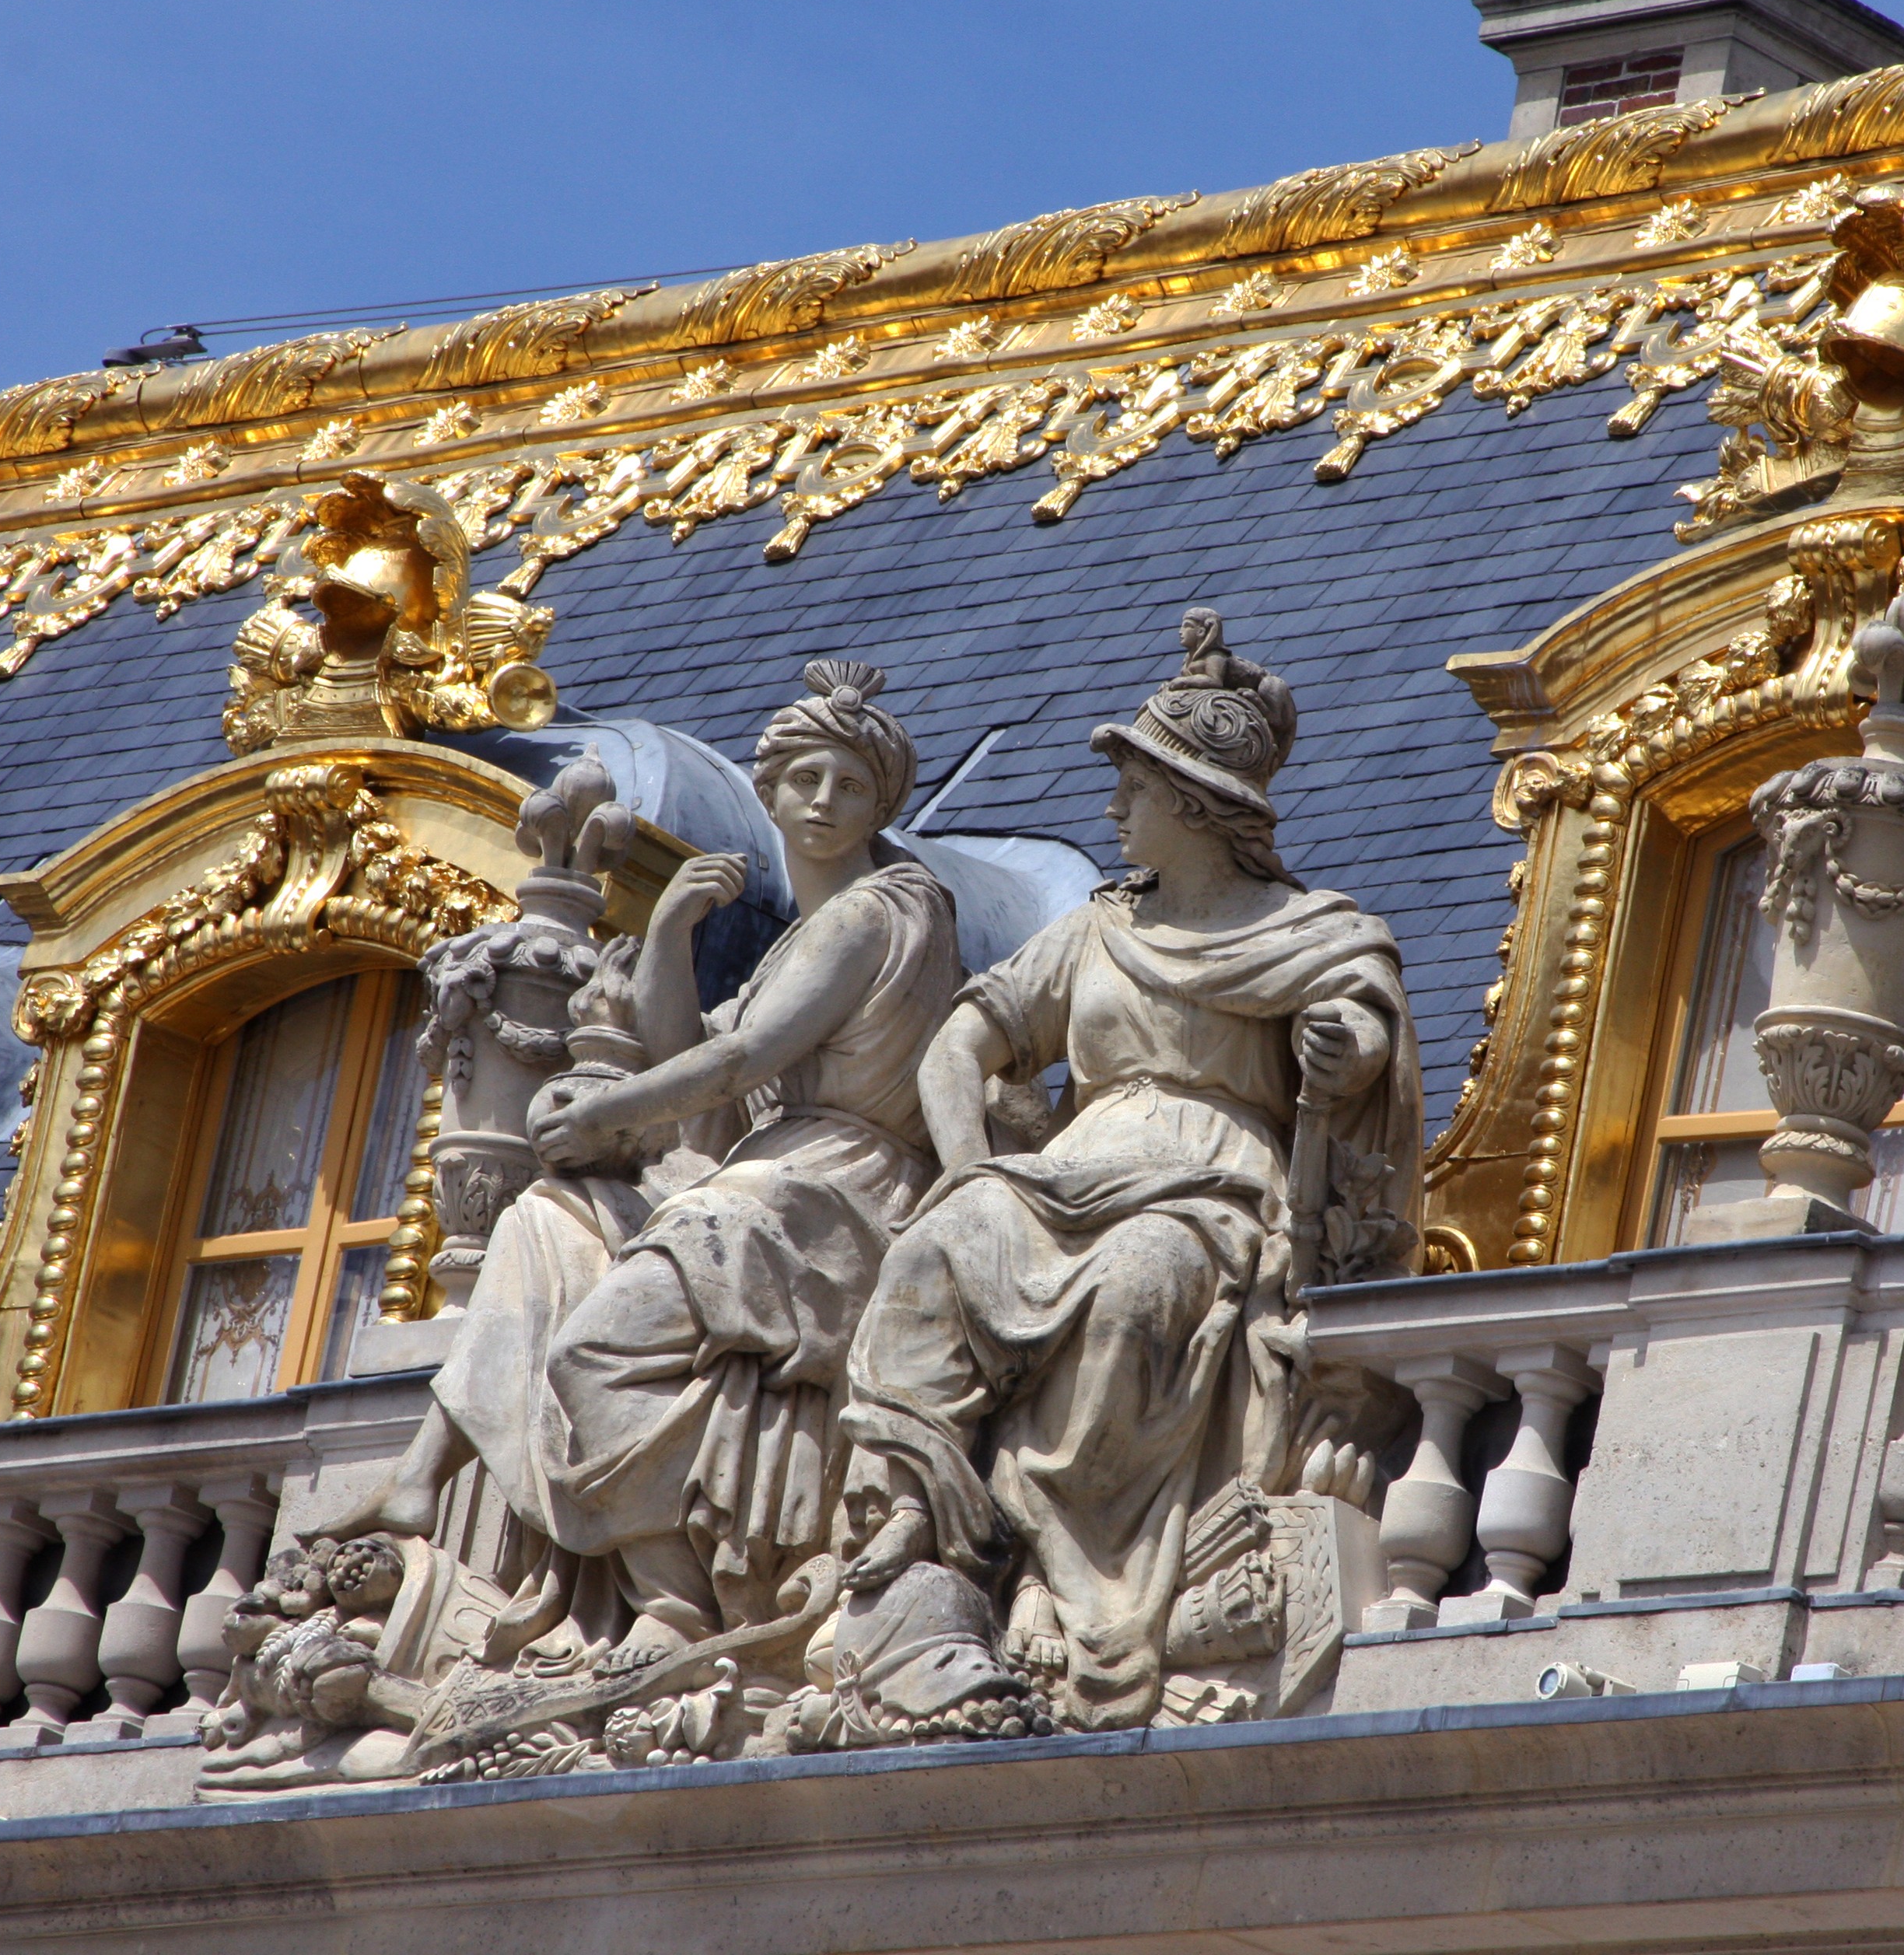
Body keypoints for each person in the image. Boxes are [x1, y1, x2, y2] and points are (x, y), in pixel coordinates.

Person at [836, 611, 1419, 1732]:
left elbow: (1363, 1034)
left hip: (1206, 1188)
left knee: (1139, 1285)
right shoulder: (1097, 930)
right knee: (933, 1249)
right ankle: (911, 1509)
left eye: (1135, 789)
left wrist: (1344, 1051)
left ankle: (1066, 1578)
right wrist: (969, 1178)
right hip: (1064, 1175)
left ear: (1194, 808)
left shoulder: (1313, 931)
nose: (1112, 810)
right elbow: (960, 1046)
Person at [329, 661, 961, 1673]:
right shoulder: (803, 940)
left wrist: (606, 1112)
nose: (823, 801)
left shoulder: (875, 912)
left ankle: (679, 1596)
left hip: (834, 1187)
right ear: (770, 792)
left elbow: (738, 1064)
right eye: (805, 779)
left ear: (881, 806)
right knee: (546, 1216)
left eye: (850, 785)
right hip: (764, 1179)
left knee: (593, 1351)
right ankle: (420, 1474)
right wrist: (668, 930)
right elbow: (687, 1053)